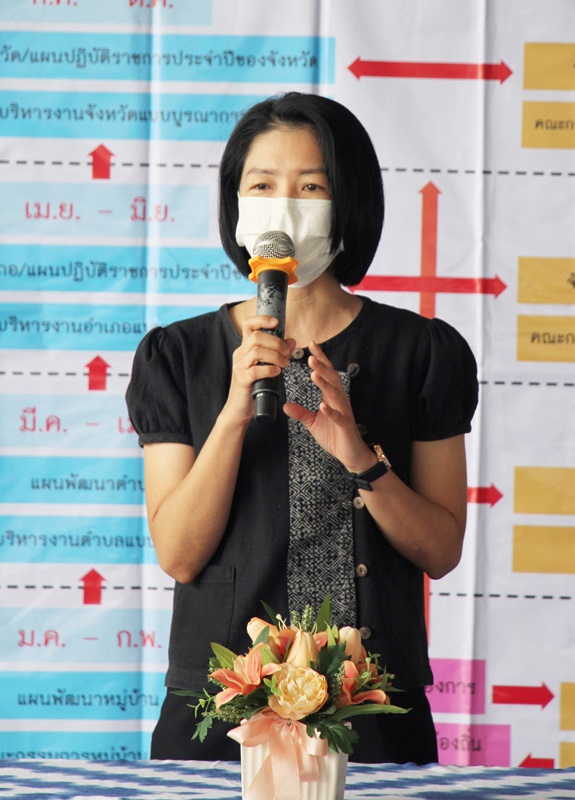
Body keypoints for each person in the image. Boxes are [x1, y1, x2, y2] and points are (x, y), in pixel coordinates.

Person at [126, 92, 478, 764]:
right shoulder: (179, 355)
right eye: (262, 185)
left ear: (350, 202)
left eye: (310, 186)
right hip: (220, 708)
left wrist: (363, 461)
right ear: (235, 205)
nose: (283, 207)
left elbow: (440, 549)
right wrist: (233, 412)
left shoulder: (422, 352)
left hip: (373, 706)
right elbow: (179, 554)